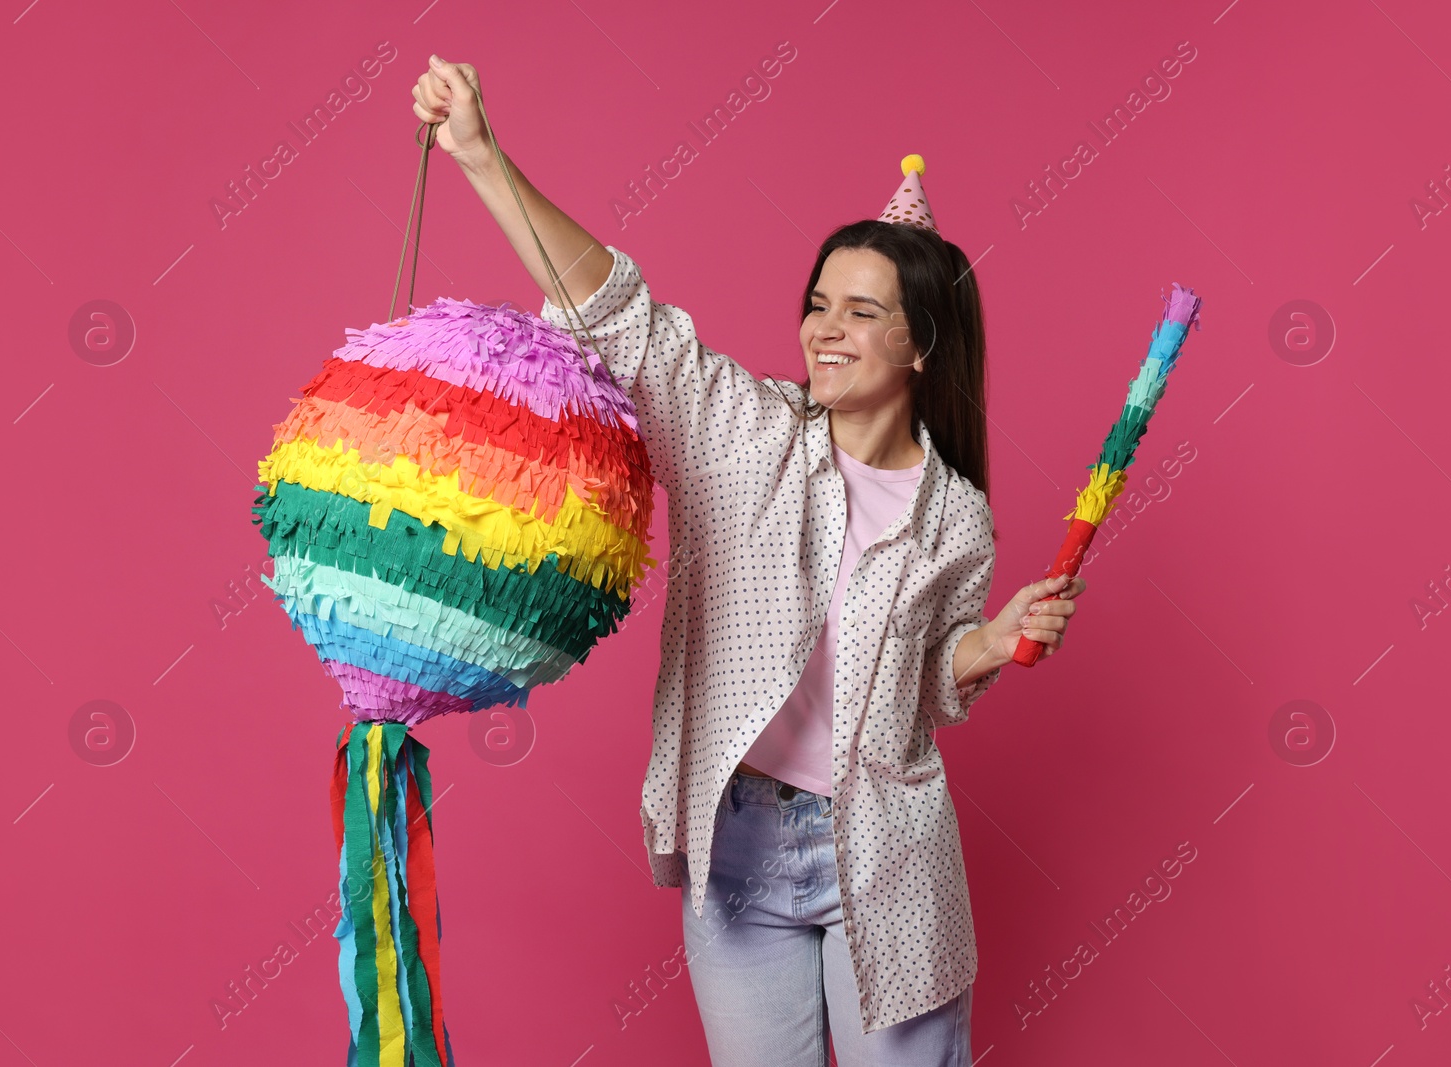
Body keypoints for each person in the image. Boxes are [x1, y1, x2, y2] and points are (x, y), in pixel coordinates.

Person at [412, 55, 1086, 1067]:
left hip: (889, 860)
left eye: (862, 311)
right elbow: (619, 316)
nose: (825, 328)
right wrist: (481, 157)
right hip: (742, 844)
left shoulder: (959, 517)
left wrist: (982, 645)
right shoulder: (742, 433)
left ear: (922, 346)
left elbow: (921, 693)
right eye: (819, 302)